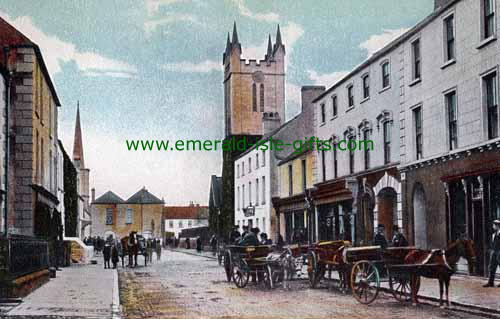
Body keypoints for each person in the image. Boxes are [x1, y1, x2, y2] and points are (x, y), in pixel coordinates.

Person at [484, 220, 500, 287]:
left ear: (497, 225)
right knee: (491, 267)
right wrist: (491, 250)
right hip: (493, 252)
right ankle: (490, 282)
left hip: (499, 252)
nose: (493, 227)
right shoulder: (494, 234)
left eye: (494, 225)